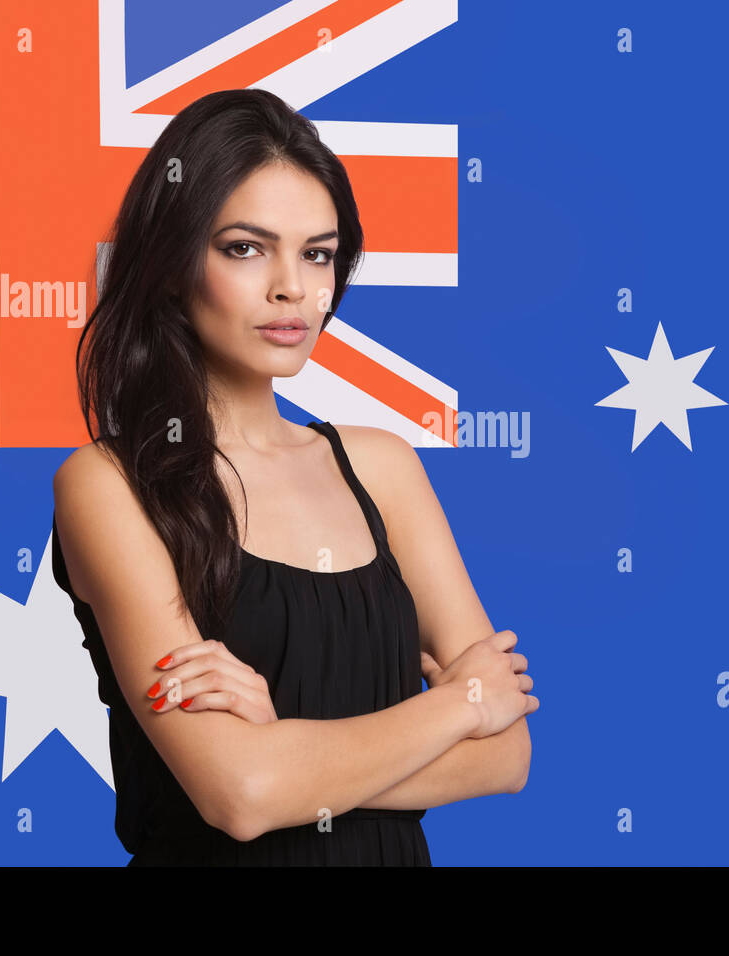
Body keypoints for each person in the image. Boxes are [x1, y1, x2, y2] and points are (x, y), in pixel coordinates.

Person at [50, 88, 538, 866]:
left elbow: (507, 755)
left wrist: (283, 755)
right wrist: (456, 707)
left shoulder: (382, 468)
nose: (292, 288)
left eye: (317, 252)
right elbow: (238, 798)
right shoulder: (108, 484)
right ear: (174, 264)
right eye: (245, 248)